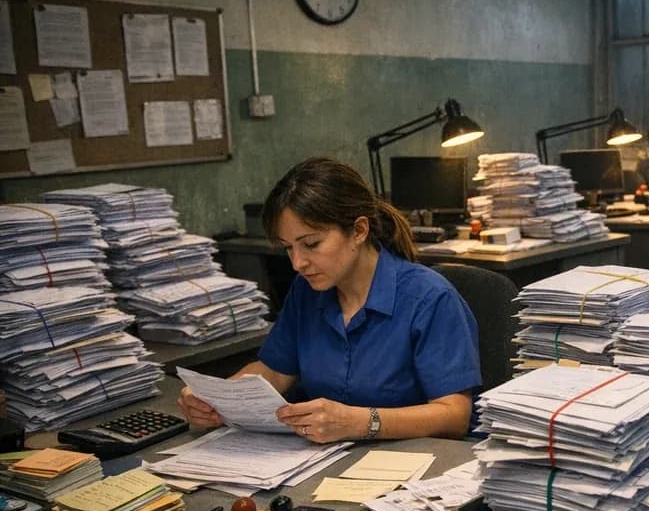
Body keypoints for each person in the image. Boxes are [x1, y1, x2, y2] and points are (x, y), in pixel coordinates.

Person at [177, 157, 481, 442]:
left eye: (311, 244)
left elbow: (453, 415)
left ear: (359, 230)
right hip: (317, 460)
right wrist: (218, 399)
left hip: (407, 467)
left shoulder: (429, 298)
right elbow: (274, 371)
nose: (298, 263)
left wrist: (360, 422)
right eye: (288, 248)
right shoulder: (306, 291)